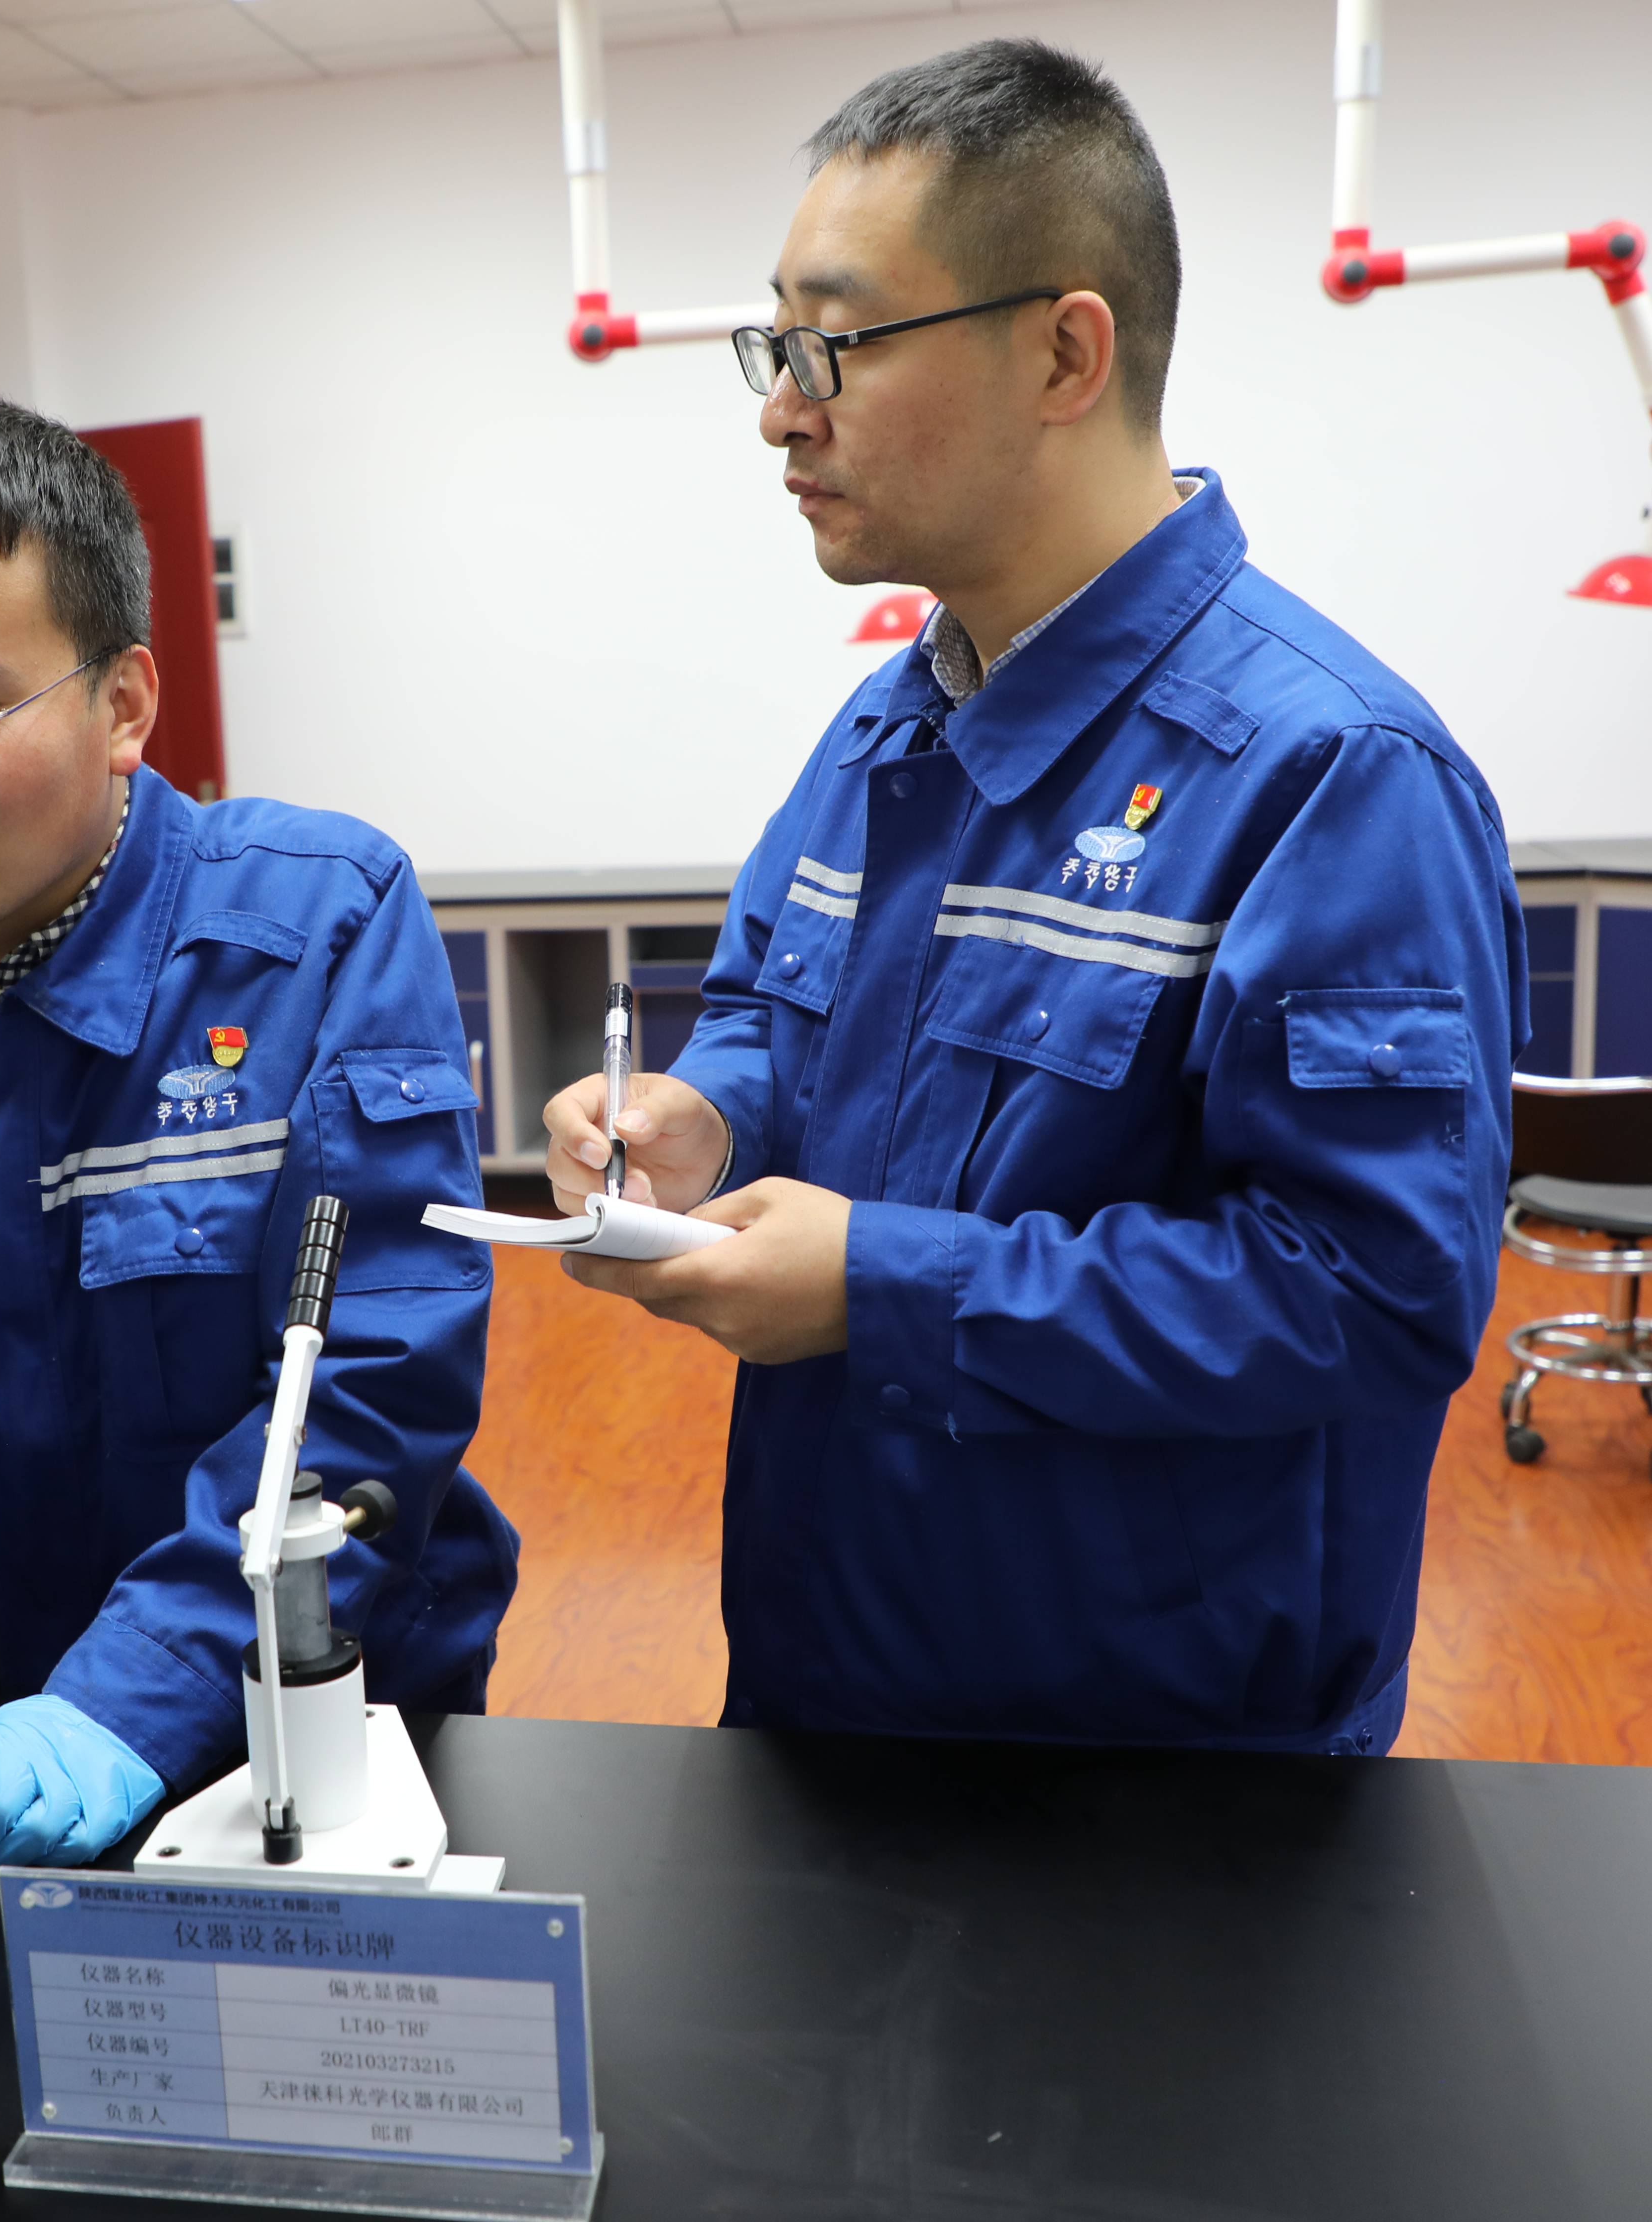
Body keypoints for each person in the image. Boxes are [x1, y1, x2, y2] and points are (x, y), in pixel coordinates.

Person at [542, 42, 1520, 1754]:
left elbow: (1372, 1295)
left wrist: (888, 1287)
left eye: (835, 346)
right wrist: (704, 1118)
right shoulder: (891, 727)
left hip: (1152, 1768)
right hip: (832, 1681)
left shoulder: (1331, 774)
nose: (781, 410)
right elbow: (774, 1010)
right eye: (775, 347)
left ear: (1065, 353)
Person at [0, 395, 515, 1873]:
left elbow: (374, 1377)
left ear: (124, 705)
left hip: (283, 1734)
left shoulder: (313, 927)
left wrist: (125, 1700)